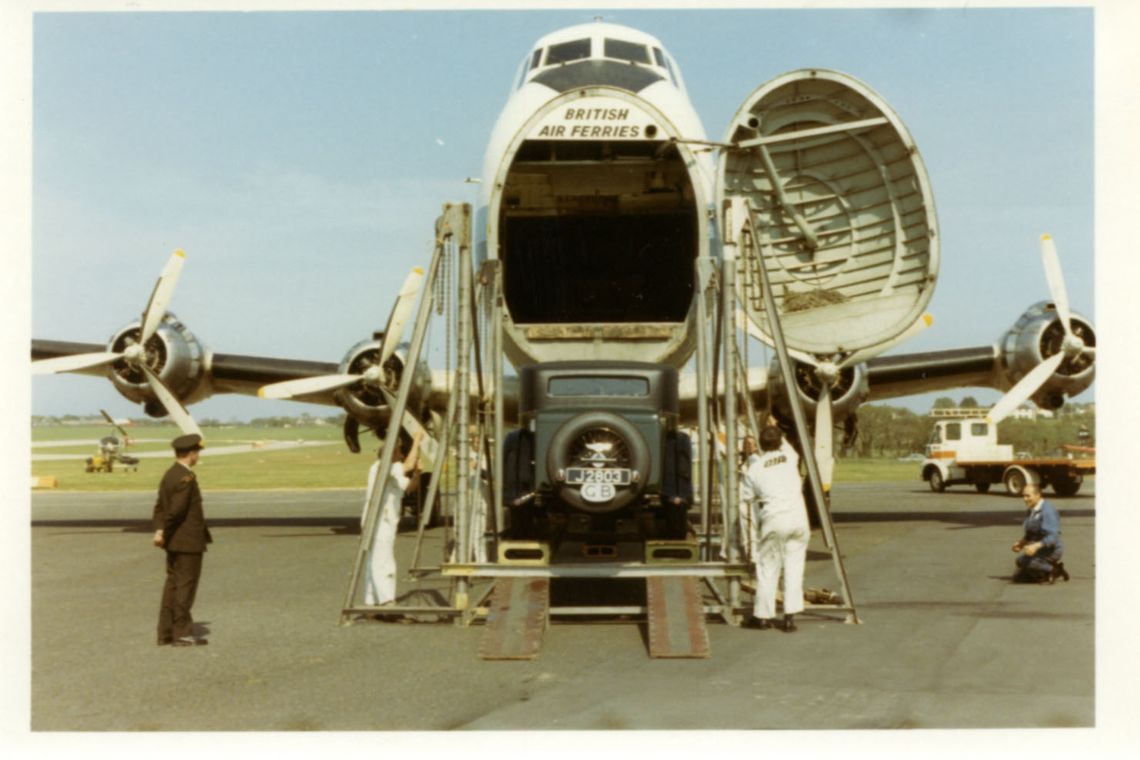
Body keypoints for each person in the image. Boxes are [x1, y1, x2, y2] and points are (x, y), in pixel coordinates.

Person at [739, 418, 810, 632]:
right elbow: (784, 443)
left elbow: (746, 498)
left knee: (768, 567)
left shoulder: (755, 469)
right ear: (780, 442)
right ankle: (790, 617)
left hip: (775, 520)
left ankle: (762, 616)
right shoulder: (790, 457)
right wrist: (775, 424)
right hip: (799, 519)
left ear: (761, 445)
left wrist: (749, 457)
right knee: (794, 568)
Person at [153, 433, 212, 647]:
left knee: (172, 586)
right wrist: (165, 530)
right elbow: (176, 511)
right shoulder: (186, 478)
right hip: (188, 541)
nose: (198, 457)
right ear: (192, 453)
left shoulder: (169, 474)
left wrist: (160, 531)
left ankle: (165, 632)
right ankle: (182, 633)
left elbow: (160, 507)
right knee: (185, 587)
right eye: (197, 453)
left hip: (173, 542)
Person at [362, 429, 424, 609]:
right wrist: (417, 440)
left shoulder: (393, 473)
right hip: (379, 521)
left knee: (374, 561)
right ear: (391, 454)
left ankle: (371, 603)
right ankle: (386, 600)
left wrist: (418, 474)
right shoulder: (382, 466)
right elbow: (408, 464)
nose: (403, 455)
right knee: (383, 561)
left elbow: (410, 488)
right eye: (399, 452)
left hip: (386, 521)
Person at [1011, 483, 1069, 583]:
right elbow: (1031, 532)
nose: (1025, 499)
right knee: (1020, 561)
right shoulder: (1032, 509)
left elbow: (1053, 536)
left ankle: (1054, 570)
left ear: (1038, 495)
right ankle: (1051, 567)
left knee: (1029, 565)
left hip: (1051, 549)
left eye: (1028, 496)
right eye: (1023, 495)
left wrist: (1035, 546)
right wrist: (1021, 543)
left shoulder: (1047, 511)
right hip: (1041, 549)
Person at [737, 435, 761, 560]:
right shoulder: (745, 459)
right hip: (742, 499)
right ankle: (749, 555)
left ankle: (753, 557)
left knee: (751, 529)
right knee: (745, 529)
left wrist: (743, 471)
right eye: (747, 444)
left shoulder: (755, 459)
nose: (749, 446)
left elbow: (755, 477)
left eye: (751, 444)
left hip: (749, 500)